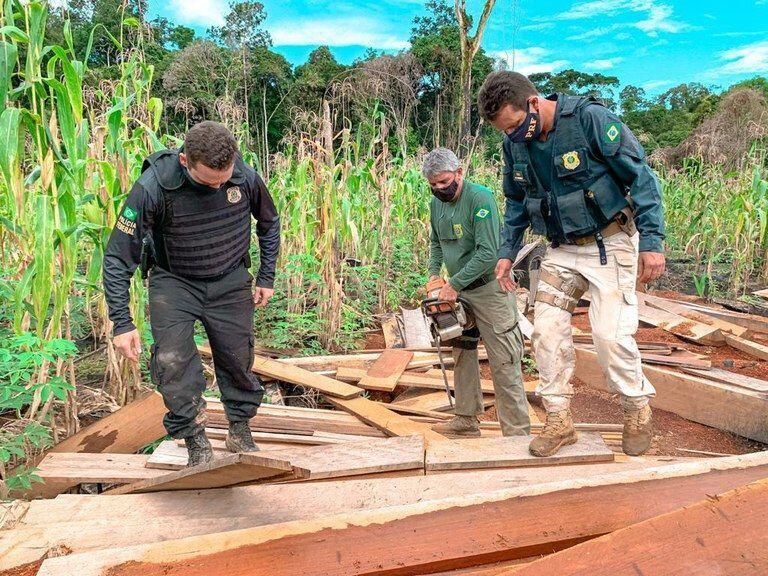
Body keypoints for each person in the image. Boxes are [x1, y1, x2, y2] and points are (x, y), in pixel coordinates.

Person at [477, 71, 666, 457]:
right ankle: (560, 419)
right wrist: (506, 253)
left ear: (532, 104)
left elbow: (641, 177)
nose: (513, 136)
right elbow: (516, 203)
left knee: (609, 337)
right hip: (562, 250)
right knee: (544, 332)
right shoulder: (515, 145)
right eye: (505, 132)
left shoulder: (588, 120)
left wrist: (652, 241)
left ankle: (636, 408)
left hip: (610, 243)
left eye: (515, 127)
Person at [103, 121, 280, 466]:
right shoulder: (153, 187)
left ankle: (239, 428)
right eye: (208, 180)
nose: (217, 186)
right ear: (185, 161)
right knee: (173, 363)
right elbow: (117, 255)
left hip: (230, 279)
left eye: (223, 179)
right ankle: (196, 441)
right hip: (175, 282)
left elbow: (269, 223)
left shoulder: (244, 176)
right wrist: (121, 323)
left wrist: (266, 275)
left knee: (237, 358)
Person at [424, 148, 530, 437]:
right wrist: (435, 274)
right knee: (462, 352)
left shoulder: (480, 198)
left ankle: (517, 433)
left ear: (459, 172)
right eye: (433, 185)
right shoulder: (436, 205)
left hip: (488, 289)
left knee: (504, 360)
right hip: (457, 294)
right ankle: (466, 419)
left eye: (444, 182)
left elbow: (487, 254)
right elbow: (436, 243)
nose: (439, 189)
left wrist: (453, 284)